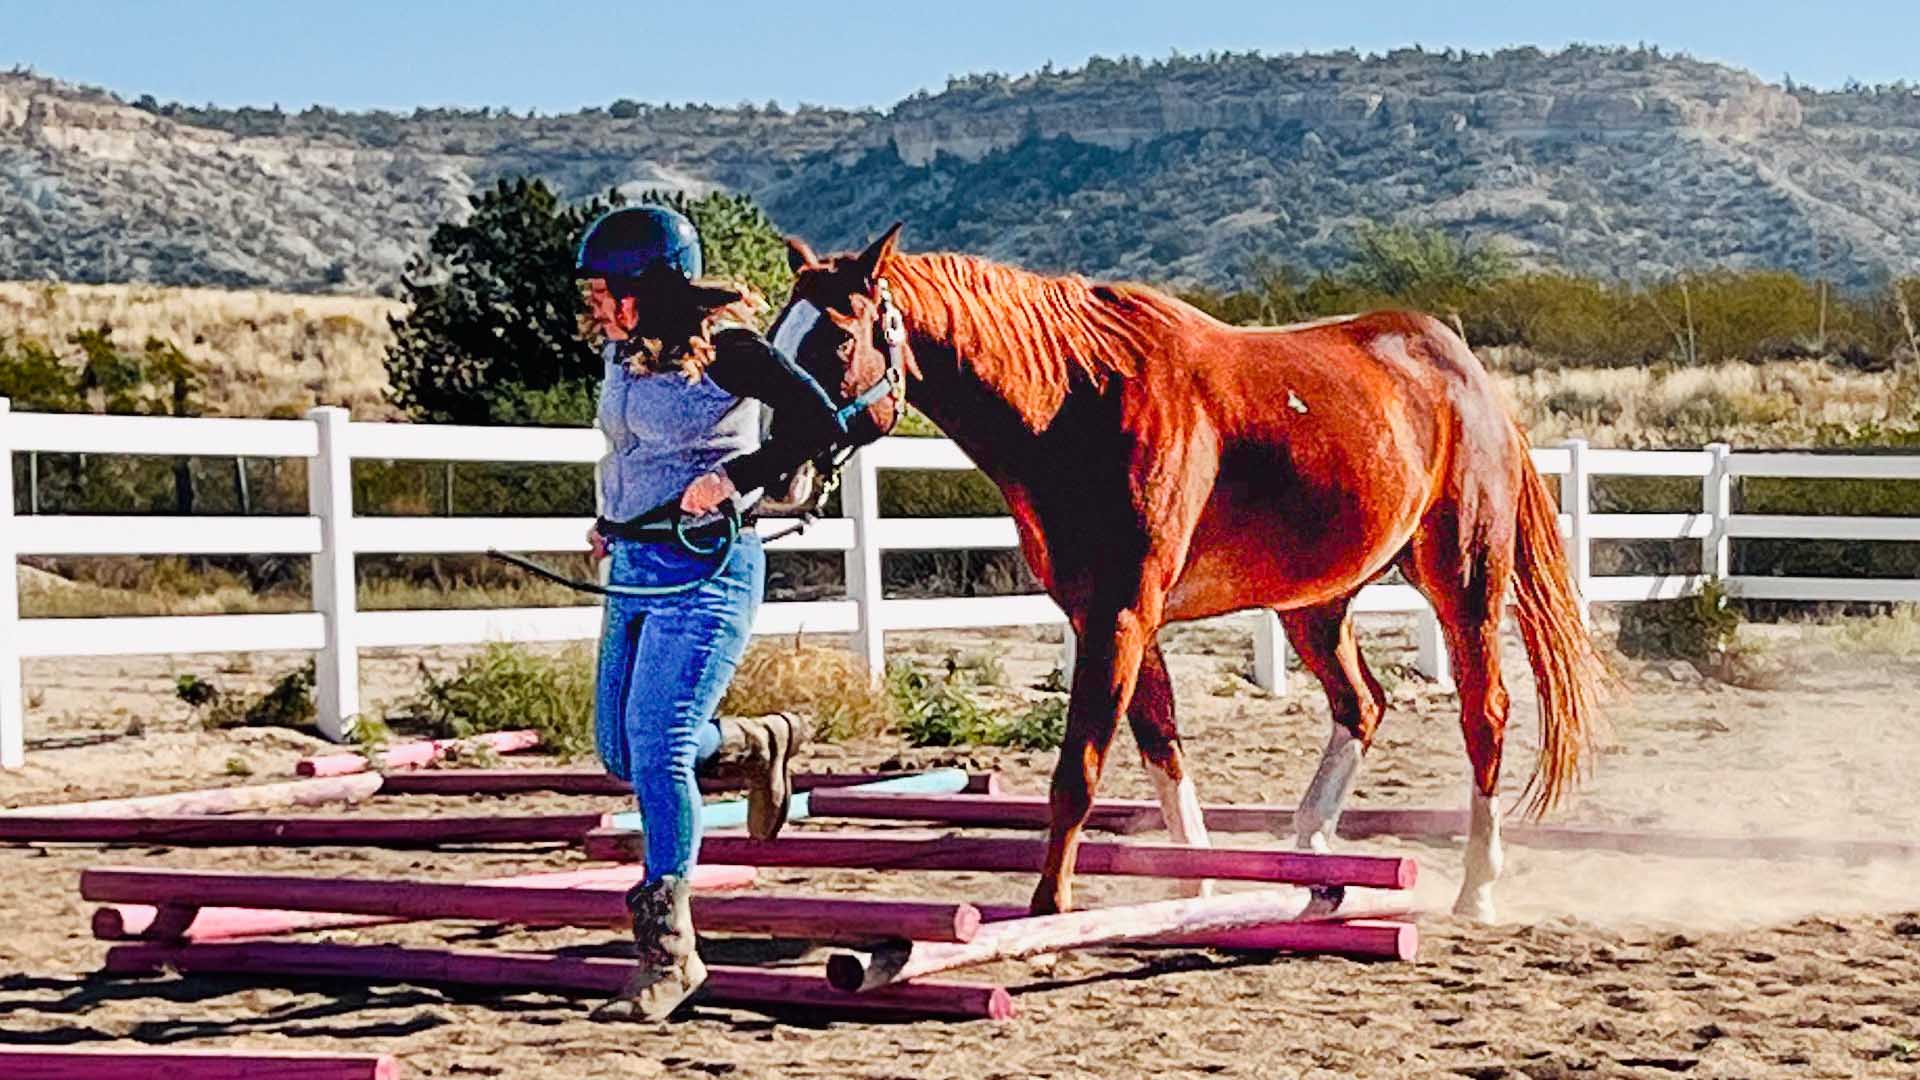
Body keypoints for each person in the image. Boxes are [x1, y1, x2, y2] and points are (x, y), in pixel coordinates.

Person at [575, 205, 845, 1021]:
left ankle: (670, 954)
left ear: (646, 288)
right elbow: (634, 452)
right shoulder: (625, 354)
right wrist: (611, 519)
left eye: (602, 291)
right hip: (634, 563)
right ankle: (756, 741)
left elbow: (819, 424)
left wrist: (736, 479)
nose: (592, 306)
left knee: (657, 747)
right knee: (618, 746)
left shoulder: (729, 352)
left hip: (709, 571)